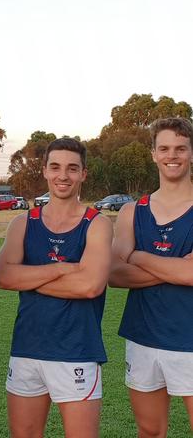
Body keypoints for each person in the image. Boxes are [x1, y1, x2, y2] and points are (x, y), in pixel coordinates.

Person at [0, 137, 112, 438]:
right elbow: (4, 277)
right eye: (56, 167)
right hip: (27, 350)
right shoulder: (23, 223)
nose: (63, 176)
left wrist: (30, 278)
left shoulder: (97, 224)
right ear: (45, 171)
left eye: (72, 169)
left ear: (83, 174)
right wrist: (61, 268)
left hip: (77, 351)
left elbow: (90, 285)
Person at [110, 117, 193, 437]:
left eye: (180, 148)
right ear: (154, 154)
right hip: (143, 336)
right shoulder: (133, 211)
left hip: (188, 338)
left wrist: (137, 255)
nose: (172, 155)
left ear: (190, 152)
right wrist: (175, 269)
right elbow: (115, 274)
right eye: (165, 148)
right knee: (149, 430)